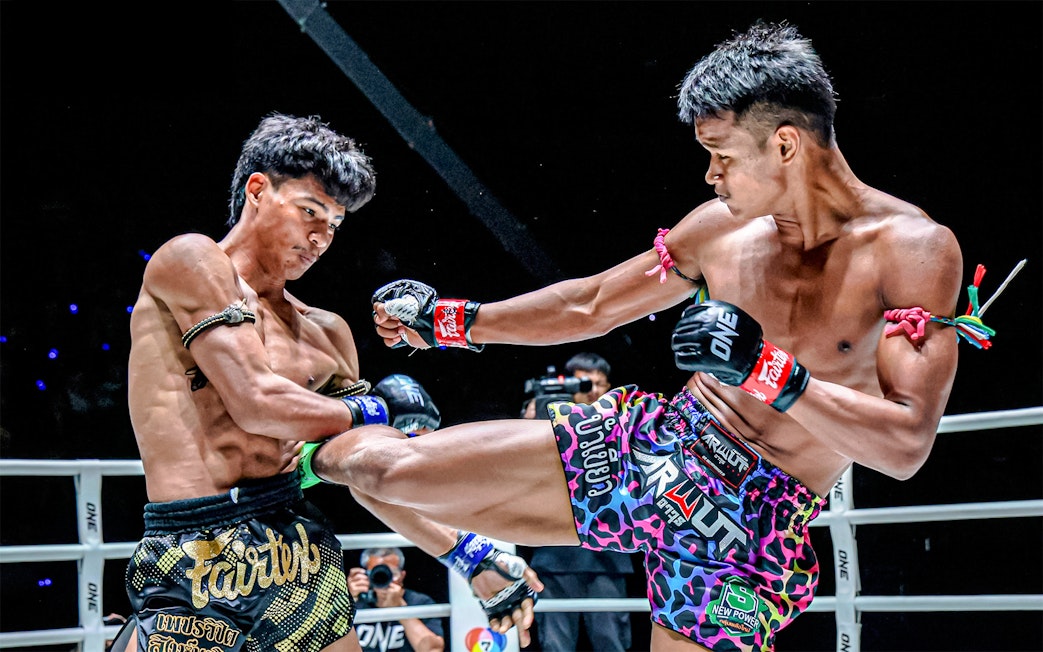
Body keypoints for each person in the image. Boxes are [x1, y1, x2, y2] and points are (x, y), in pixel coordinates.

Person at [307, 21, 971, 652]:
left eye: (722, 156)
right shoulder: (719, 229)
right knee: (366, 464)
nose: (710, 175)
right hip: (656, 445)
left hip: (746, 520)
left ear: (786, 144)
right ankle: (481, 562)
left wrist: (764, 370)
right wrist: (450, 321)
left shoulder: (912, 251)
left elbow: (904, 444)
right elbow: (591, 303)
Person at [121, 113, 540, 652]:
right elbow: (255, 401)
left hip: (297, 545)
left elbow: (361, 469)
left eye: (335, 224)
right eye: (309, 211)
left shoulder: (327, 334)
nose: (320, 237)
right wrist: (375, 412)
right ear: (257, 190)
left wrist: (467, 554)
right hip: (193, 546)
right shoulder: (190, 260)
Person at [527, 354, 635, 652]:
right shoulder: (547, 417)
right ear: (567, 384)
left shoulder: (626, 416)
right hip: (555, 553)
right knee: (556, 646)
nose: (592, 391)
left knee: (612, 643)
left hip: (610, 552)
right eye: (585, 383)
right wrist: (532, 417)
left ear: (610, 386)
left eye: (599, 384)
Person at [350, 546, 445, 652]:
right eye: (377, 573)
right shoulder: (355, 602)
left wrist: (400, 608)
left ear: (402, 576)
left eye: (392, 573)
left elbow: (433, 650)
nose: (384, 579)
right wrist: (348, 599)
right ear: (365, 574)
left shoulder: (420, 603)